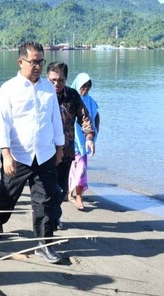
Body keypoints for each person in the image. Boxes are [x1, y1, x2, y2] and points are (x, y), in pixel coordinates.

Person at [0, 41, 65, 264]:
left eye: (40, 61)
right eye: (33, 62)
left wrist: (59, 148)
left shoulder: (47, 89)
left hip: (44, 154)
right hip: (18, 155)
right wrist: (6, 155)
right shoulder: (9, 89)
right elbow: (1, 124)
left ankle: (44, 244)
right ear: (20, 61)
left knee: (45, 201)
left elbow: (56, 121)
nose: (38, 66)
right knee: (9, 194)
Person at [46, 62, 95, 229]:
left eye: (60, 80)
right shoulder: (41, 93)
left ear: (66, 79)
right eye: (52, 80)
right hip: (43, 150)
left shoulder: (73, 96)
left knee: (61, 190)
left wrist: (89, 137)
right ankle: (45, 219)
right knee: (45, 189)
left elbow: (85, 117)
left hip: (66, 151)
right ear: (47, 78)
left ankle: (54, 217)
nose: (56, 84)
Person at [69, 73, 100, 210]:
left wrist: (93, 137)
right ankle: (69, 193)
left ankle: (79, 197)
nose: (85, 89)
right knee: (70, 169)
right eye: (83, 85)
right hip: (69, 141)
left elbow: (96, 118)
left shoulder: (91, 102)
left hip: (84, 142)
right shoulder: (68, 99)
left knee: (81, 169)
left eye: (88, 86)